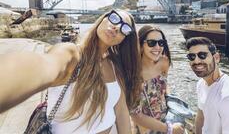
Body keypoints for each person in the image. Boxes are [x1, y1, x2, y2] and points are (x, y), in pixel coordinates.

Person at [0, 9, 142, 134]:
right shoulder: (71, 53)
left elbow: (121, 112)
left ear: (125, 39)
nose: (117, 27)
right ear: (103, 18)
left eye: (125, 28)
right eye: (114, 18)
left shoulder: (114, 66)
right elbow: (43, 66)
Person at [185, 37, 229, 134]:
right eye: (191, 57)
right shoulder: (201, 84)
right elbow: (200, 117)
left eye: (202, 55)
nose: (196, 61)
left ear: (216, 58)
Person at [130, 25, 184, 134]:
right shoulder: (133, 74)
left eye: (161, 42)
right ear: (140, 45)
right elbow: (136, 115)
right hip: (145, 127)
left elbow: (163, 87)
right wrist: (170, 129)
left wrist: (172, 103)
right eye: (151, 43)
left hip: (167, 119)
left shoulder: (164, 62)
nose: (158, 47)